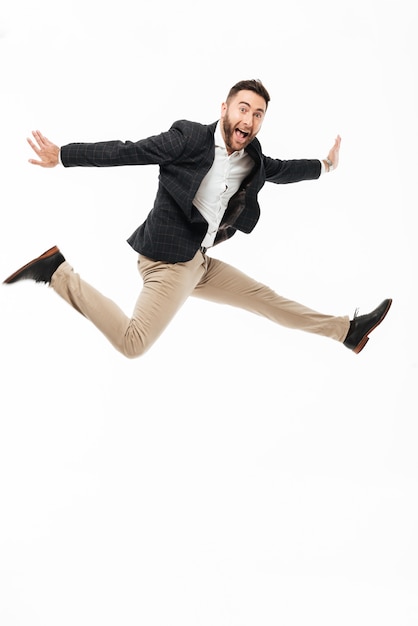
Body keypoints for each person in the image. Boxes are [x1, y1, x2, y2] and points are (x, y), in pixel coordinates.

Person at [3, 79, 391, 358]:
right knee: (133, 343)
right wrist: (65, 155)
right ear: (224, 109)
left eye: (258, 114)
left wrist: (326, 166)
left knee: (266, 300)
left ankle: (346, 331)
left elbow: (283, 169)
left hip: (198, 262)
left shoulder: (252, 156)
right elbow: (130, 151)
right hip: (169, 262)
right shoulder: (188, 139)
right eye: (243, 108)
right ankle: (57, 272)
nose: (249, 120)